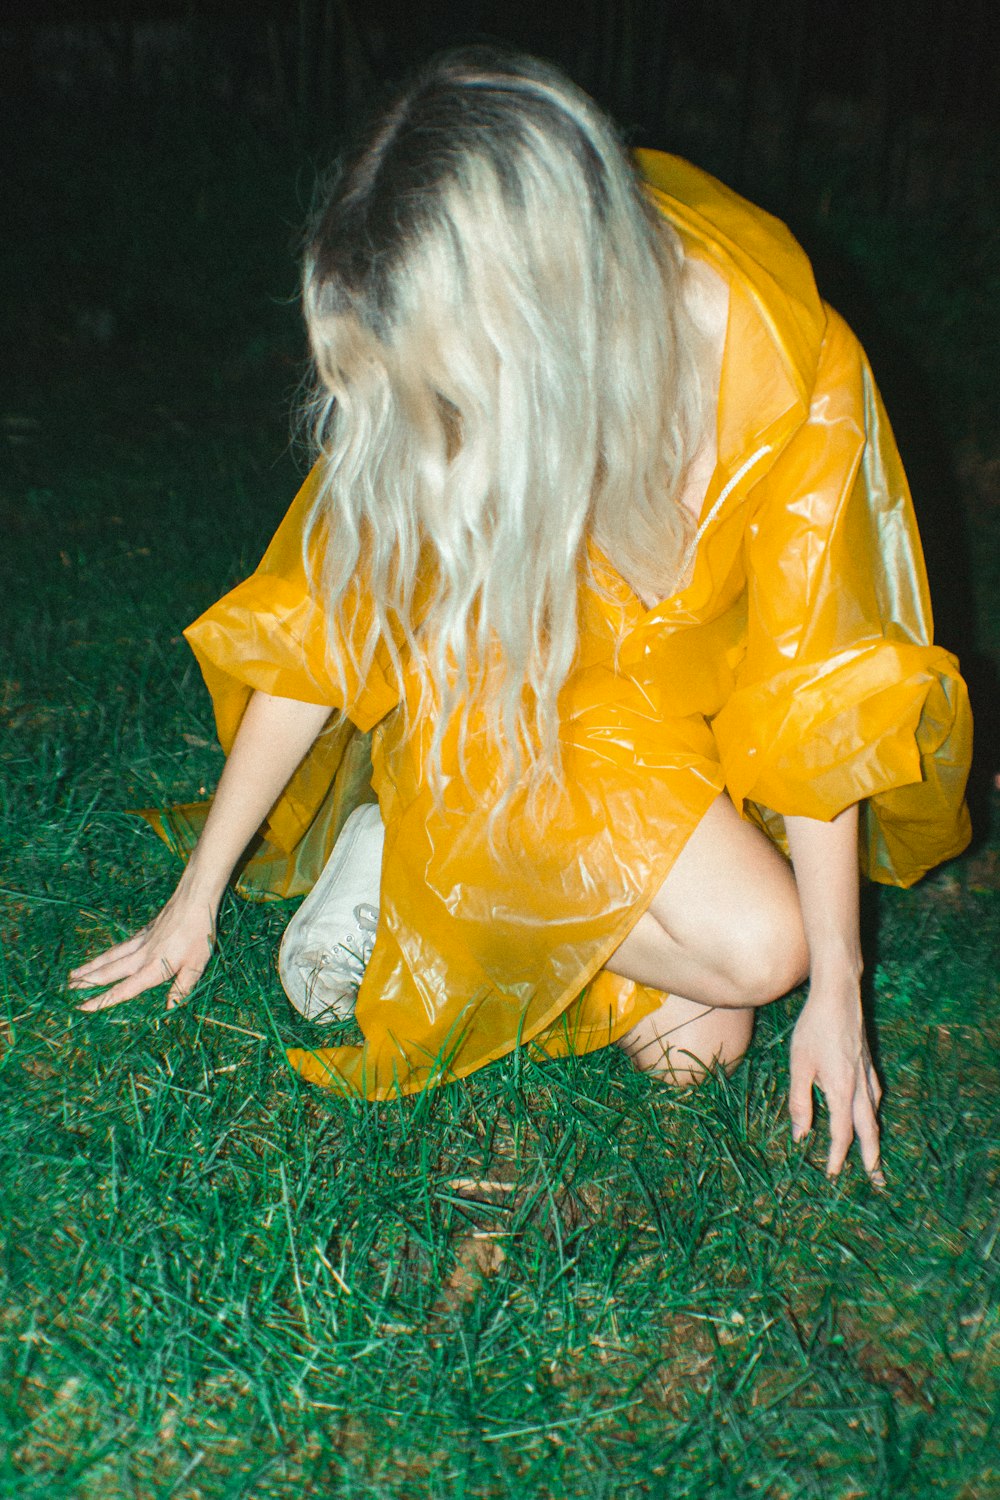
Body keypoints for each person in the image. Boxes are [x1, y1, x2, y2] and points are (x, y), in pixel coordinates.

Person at [67, 48, 972, 1182]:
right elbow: (326, 622)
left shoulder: (791, 369)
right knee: (759, 946)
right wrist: (191, 900)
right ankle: (420, 849)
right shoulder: (480, 331)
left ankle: (427, 870)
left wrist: (841, 990)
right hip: (507, 673)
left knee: (704, 1040)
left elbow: (815, 682)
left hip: (673, 714)